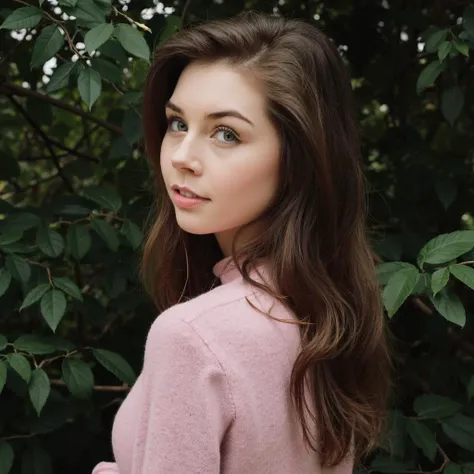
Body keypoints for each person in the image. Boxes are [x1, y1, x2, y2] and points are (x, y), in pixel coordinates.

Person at [92, 10, 392, 474]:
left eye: (226, 134)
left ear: (300, 158)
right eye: (176, 123)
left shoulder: (193, 338)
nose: (183, 157)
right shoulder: (327, 312)